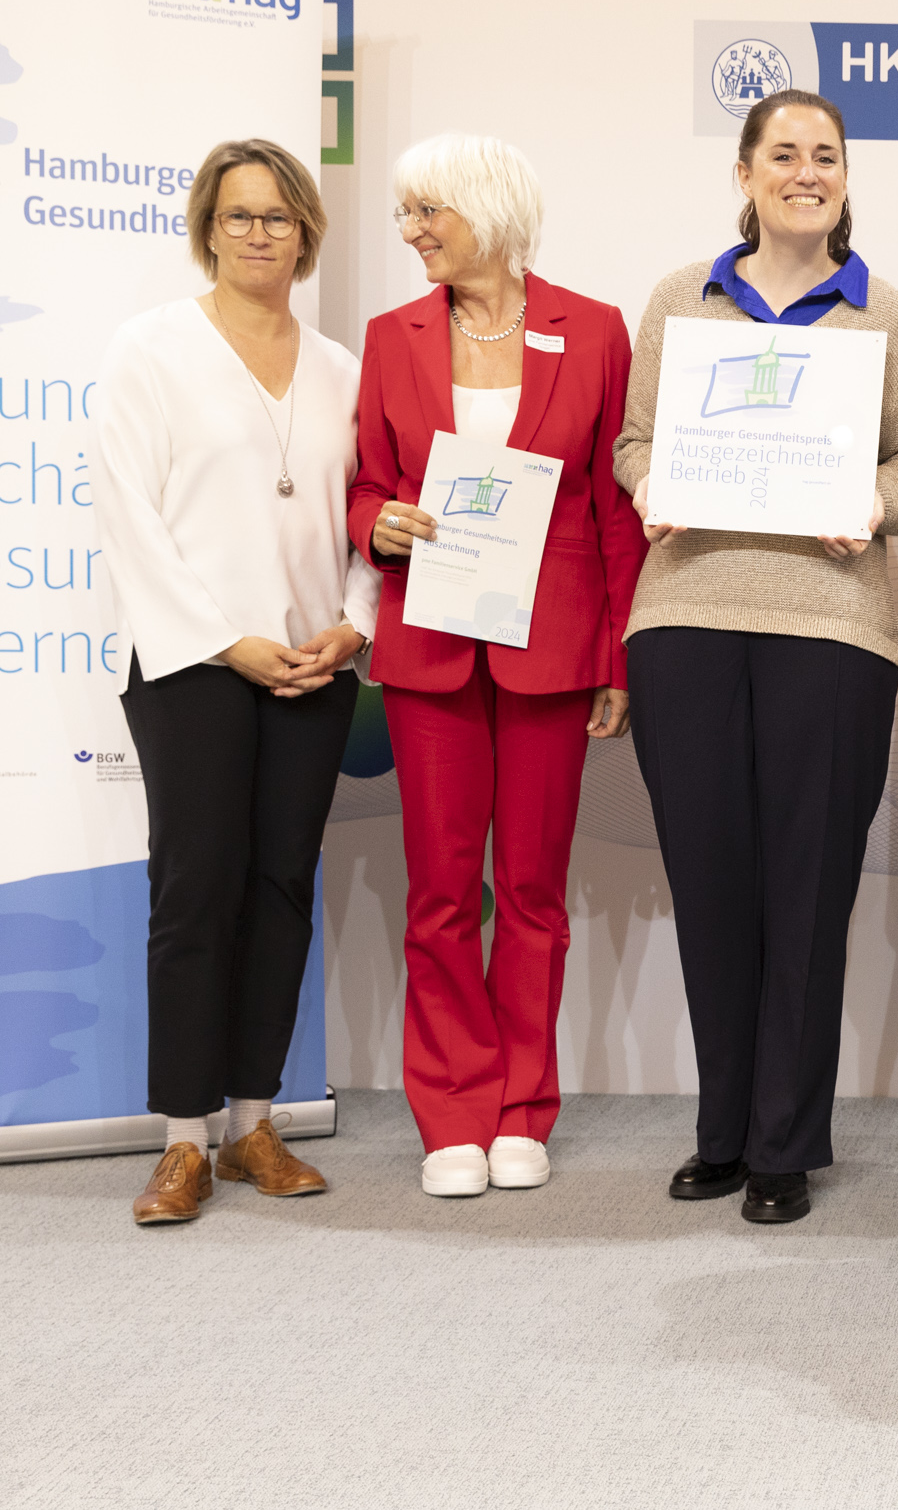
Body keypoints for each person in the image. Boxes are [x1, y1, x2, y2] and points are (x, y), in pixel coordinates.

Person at [616, 88, 898, 1226]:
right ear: (746, 173)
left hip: (833, 627)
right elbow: (635, 439)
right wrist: (648, 482)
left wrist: (873, 499)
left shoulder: (888, 315)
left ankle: (786, 1142)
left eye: (827, 157)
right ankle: (722, 1129)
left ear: (847, 178)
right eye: (785, 154)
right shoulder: (679, 299)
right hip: (687, 618)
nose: (808, 172)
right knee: (711, 886)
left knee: (807, 891)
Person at [350, 133, 644, 1199]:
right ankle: (453, 1113)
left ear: (489, 210)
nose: (412, 232)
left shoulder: (596, 331)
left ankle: (524, 1106)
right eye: (406, 213)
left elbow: (615, 511)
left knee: (529, 891)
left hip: (552, 648)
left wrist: (618, 657)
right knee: (438, 893)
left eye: (430, 211)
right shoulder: (391, 338)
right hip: (430, 646)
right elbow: (364, 484)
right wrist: (374, 519)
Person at [93, 138, 375, 1226]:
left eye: (280, 217)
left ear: (306, 234)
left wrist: (352, 627)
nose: (260, 233)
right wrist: (226, 641)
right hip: (193, 667)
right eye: (239, 215)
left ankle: (255, 1121)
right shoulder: (150, 349)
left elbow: (368, 518)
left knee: (281, 889)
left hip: (314, 666)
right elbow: (131, 517)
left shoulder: (346, 369)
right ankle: (182, 1138)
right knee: (195, 888)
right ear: (208, 227)